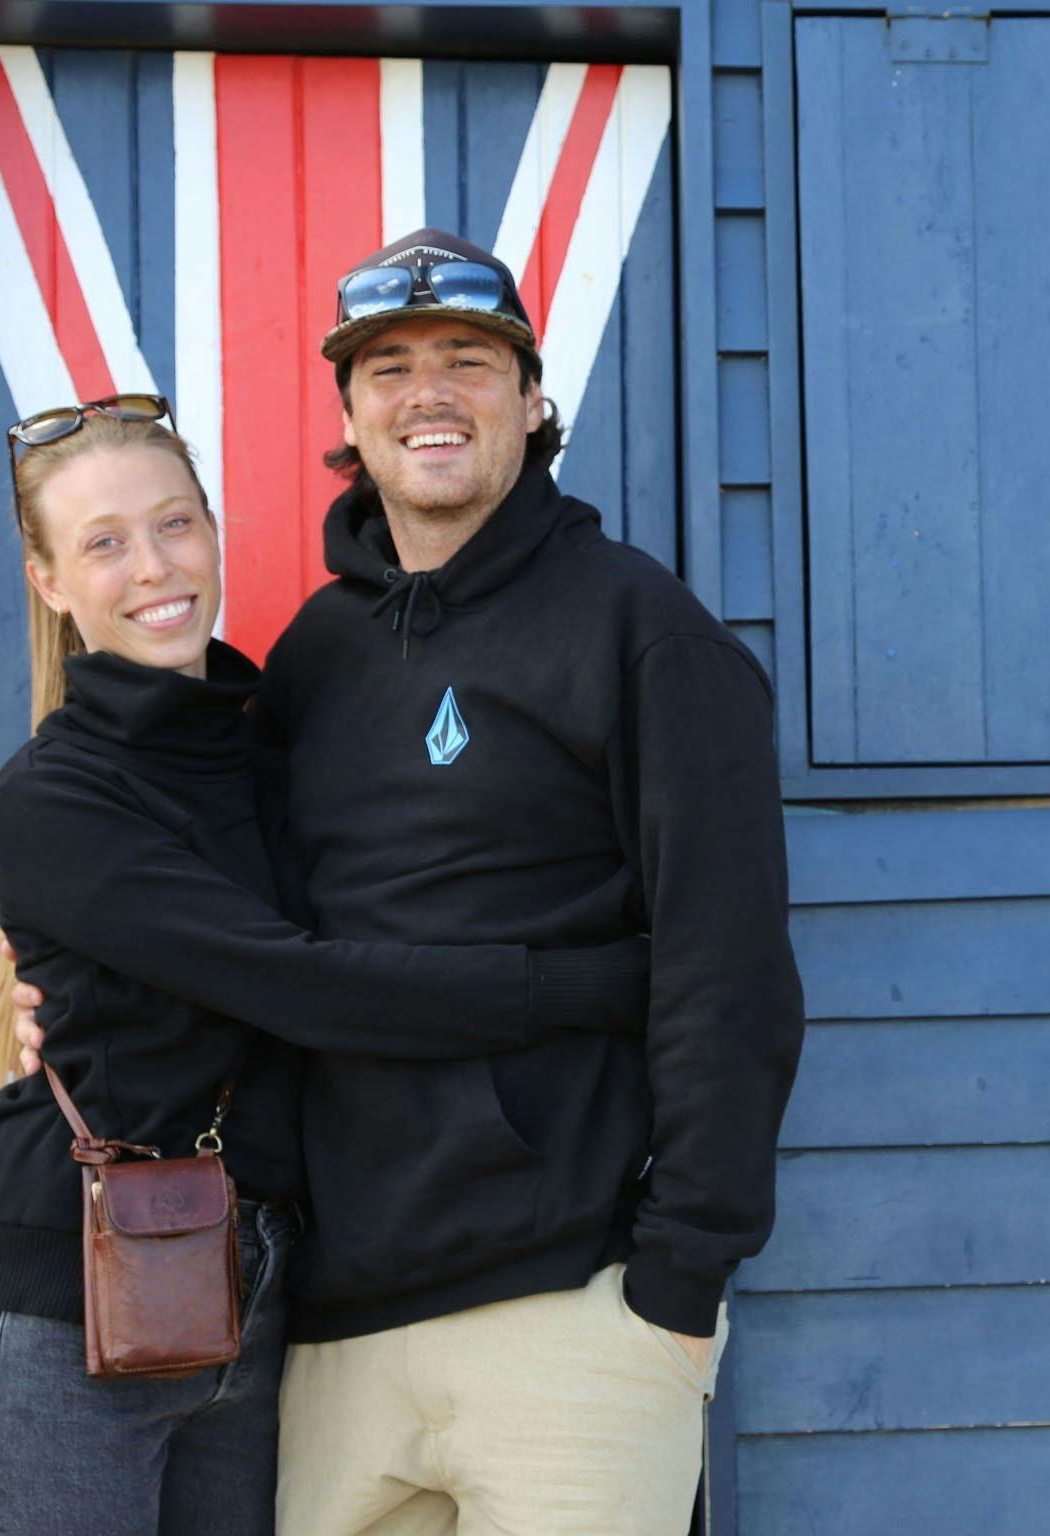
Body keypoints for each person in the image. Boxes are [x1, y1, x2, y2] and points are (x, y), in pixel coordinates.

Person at [0, 397, 653, 1536]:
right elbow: (305, 981)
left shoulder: (271, 738)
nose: (155, 567)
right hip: (60, 1333)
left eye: (176, 523)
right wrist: (593, 985)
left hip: (251, 1309)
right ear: (47, 582)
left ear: (215, 531)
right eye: (103, 542)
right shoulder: (52, 799)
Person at [256, 228, 805, 1534]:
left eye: (468, 360)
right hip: (337, 1330)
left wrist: (680, 1283)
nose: (427, 393)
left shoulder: (639, 630)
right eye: (387, 367)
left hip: (574, 1310)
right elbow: (253, 939)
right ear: (349, 411)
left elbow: (727, 970)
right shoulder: (313, 657)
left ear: (531, 397)